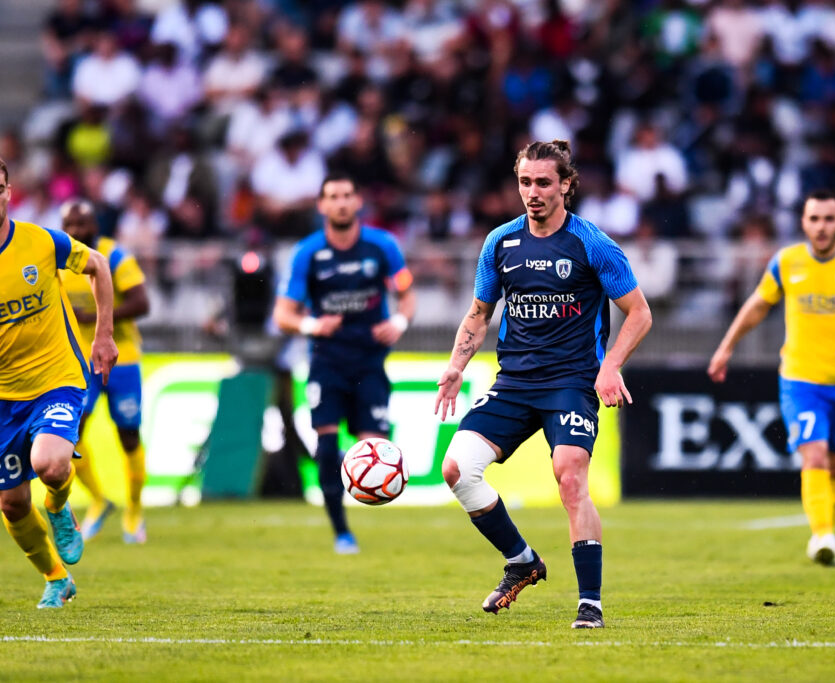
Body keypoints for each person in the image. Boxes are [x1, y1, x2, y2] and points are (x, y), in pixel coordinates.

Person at [434, 140, 653, 629]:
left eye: (543, 183)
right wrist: (456, 366)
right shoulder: (500, 243)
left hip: (571, 383)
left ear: (566, 186)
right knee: (456, 469)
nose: (532, 193)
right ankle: (522, 561)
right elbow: (479, 314)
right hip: (513, 382)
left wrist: (610, 365)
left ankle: (590, 603)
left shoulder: (591, 243)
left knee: (570, 476)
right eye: (524, 182)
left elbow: (639, 313)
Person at [0, 150, 118, 608]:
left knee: (50, 463)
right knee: (12, 504)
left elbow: (98, 265)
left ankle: (58, 505)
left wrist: (104, 335)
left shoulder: (41, 242)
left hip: (57, 378)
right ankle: (56, 578)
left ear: (9, 192)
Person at [708, 189, 835, 567]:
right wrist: (726, 347)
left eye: (828, 219)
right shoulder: (787, 261)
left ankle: (825, 535)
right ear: (804, 222)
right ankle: (823, 535)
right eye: (814, 219)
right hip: (800, 379)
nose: (821, 227)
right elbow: (758, 305)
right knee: (816, 455)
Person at [273, 171, 416, 554]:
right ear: (321, 205)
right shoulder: (308, 253)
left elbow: (406, 294)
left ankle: (350, 476)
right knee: (327, 439)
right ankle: (341, 532)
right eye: (332, 196)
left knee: (375, 446)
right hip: (327, 362)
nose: (340, 202)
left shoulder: (382, 246)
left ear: (357, 202)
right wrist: (311, 324)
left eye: (347, 195)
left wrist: (399, 321)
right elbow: (283, 314)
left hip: (370, 362)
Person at [58, 199, 151, 544]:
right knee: (71, 434)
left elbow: (142, 302)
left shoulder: (114, 257)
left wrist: (100, 319)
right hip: (79, 362)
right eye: (70, 225)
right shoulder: (57, 261)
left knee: (128, 434)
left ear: (96, 226)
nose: (77, 231)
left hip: (122, 357)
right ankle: (98, 500)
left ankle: (135, 510)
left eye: (83, 224)